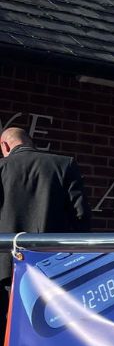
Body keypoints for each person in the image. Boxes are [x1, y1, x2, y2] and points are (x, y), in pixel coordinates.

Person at [0, 127, 91, 331]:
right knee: (48, 327)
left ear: (4, 145)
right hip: (51, 265)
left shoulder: (2, 168)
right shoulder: (63, 165)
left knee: (7, 330)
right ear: (30, 143)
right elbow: (81, 218)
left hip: (5, 267)